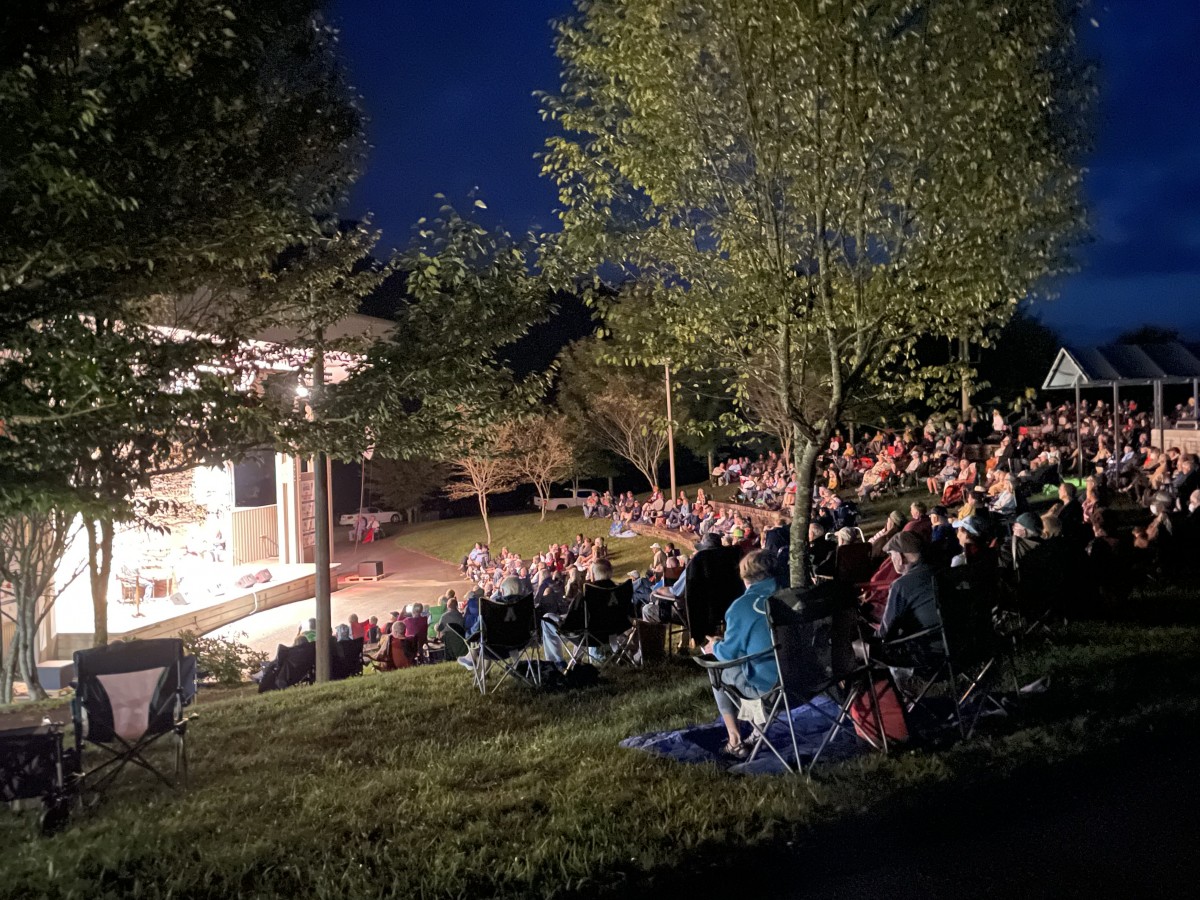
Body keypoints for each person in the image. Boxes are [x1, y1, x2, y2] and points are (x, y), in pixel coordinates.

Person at [702, 550, 779, 760]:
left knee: (716, 668)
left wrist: (715, 646)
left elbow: (729, 653)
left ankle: (734, 740)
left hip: (772, 689)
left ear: (745, 577)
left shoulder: (743, 606)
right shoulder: (793, 594)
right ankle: (756, 733)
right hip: (809, 681)